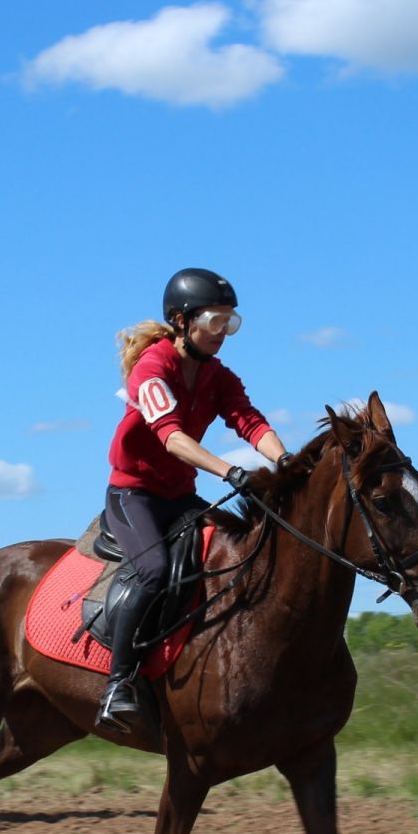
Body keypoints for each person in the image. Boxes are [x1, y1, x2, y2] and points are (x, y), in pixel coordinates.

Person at [97, 267, 292, 734]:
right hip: (133, 495)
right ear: (181, 322)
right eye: (214, 321)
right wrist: (231, 471)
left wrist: (286, 461)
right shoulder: (152, 368)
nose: (223, 333)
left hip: (180, 495)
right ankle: (117, 685)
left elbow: (248, 420)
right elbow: (172, 438)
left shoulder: (217, 375)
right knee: (155, 570)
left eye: (230, 322)